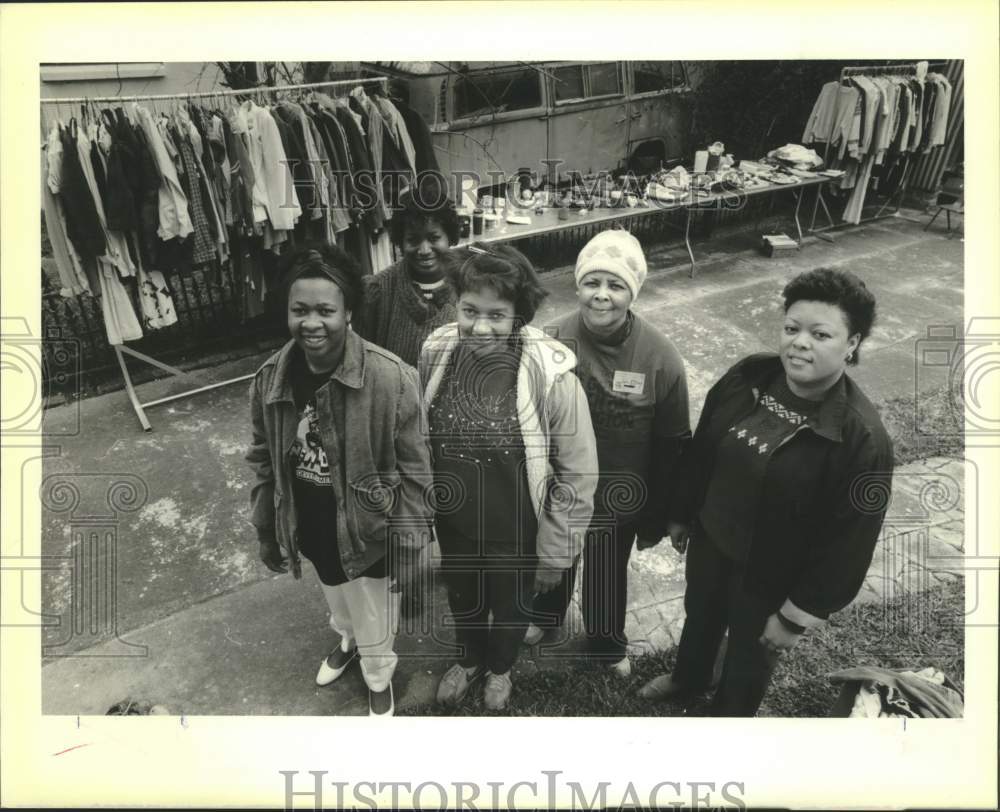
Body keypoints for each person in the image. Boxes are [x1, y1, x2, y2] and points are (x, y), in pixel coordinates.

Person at [638, 267, 894, 716]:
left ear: (851, 344)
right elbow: (703, 449)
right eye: (792, 328)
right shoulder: (749, 377)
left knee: (749, 655)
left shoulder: (862, 440)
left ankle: (729, 719)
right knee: (700, 616)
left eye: (821, 334)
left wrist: (796, 617)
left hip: (772, 575)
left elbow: (849, 543)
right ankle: (689, 676)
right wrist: (681, 513)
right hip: (711, 543)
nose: (800, 342)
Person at [246, 243, 434, 717]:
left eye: (325, 310)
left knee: (374, 612)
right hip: (311, 526)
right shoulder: (269, 379)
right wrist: (268, 529)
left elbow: (416, 473)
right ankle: (348, 642)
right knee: (338, 600)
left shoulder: (393, 379)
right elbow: (263, 459)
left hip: (369, 533)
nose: (312, 323)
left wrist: (411, 547)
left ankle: (378, 675)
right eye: (300, 310)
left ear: (348, 312)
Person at [419, 243, 598, 711]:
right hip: (455, 526)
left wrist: (555, 552)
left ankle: (500, 668)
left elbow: (578, 473)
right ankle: (470, 658)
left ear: (520, 316)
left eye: (496, 315)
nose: (480, 327)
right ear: (455, 304)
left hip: (517, 533)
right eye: (469, 310)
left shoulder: (553, 375)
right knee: (464, 598)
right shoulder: (435, 352)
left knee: (512, 608)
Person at [526, 229, 691, 676]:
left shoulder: (661, 357)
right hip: (560, 488)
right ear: (577, 285)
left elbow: (674, 444)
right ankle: (544, 615)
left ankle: (604, 641)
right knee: (553, 555)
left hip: (619, 496)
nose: (602, 296)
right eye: (592, 283)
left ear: (632, 293)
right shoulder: (548, 340)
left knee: (605, 569)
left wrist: (661, 513)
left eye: (615, 286)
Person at [353, 172, 461, 367]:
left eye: (434, 238)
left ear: (449, 236)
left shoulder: (468, 283)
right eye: (413, 240)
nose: (424, 250)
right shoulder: (378, 290)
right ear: (400, 242)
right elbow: (361, 357)